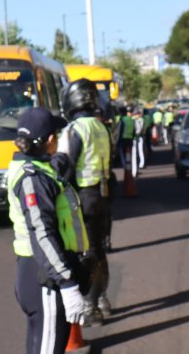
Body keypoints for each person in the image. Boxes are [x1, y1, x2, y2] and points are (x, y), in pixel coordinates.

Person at [7, 108, 90, 354]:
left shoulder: (35, 168)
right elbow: (42, 235)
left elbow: (57, 165)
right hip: (46, 277)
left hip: (39, 271)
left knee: (41, 347)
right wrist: (66, 282)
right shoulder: (33, 179)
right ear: (50, 140)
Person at [57, 78, 113, 324]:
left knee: (87, 252)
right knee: (99, 249)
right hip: (104, 194)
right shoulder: (101, 127)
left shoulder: (74, 130)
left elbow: (66, 166)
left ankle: (91, 305)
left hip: (84, 197)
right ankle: (101, 299)